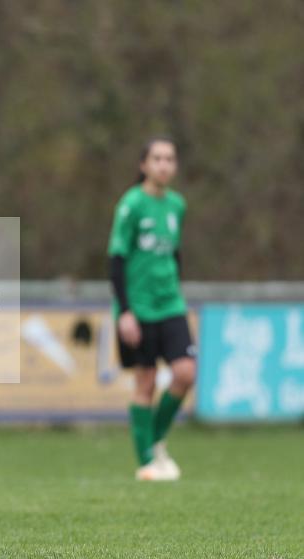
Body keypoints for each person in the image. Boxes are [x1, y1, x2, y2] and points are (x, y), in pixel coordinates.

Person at [107, 137, 197, 482]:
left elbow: (174, 254)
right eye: (157, 158)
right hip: (139, 308)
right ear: (144, 165)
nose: (163, 164)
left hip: (171, 304)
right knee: (145, 382)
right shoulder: (131, 204)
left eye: (169, 159)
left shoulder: (177, 205)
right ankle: (147, 462)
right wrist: (125, 311)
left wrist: (175, 287)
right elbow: (116, 259)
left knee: (185, 373)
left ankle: (155, 439)